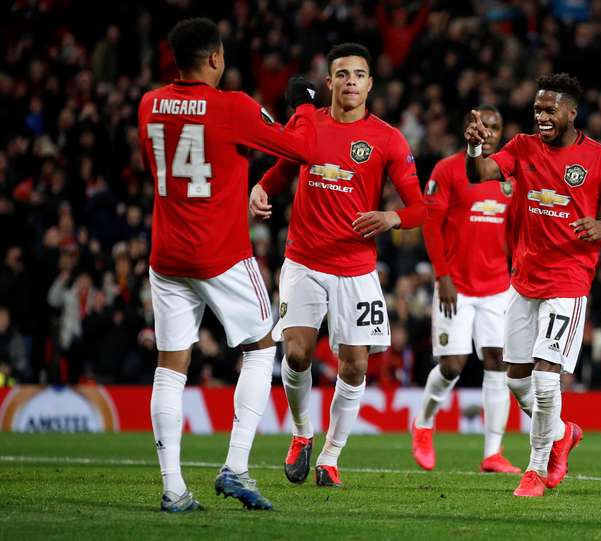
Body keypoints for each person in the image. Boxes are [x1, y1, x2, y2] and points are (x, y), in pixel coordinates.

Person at [137, 17, 318, 512]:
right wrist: (301, 107)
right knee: (262, 347)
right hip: (219, 254)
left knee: (170, 366)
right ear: (216, 59)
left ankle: (173, 489)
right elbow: (302, 149)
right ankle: (235, 466)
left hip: (166, 255)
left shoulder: (149, 104)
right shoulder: (233, 107)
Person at [251, 43, 426, 488]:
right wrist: (261, 188)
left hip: (356, 267)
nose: (350, 81)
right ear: (329, 83)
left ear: (370, 83)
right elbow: (284, 170)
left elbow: (420, 207)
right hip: (304, 260)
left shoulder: (387, 138)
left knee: (355, 364)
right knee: (295, 352)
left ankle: (330, 457)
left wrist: (391, 217)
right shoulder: (308, 122)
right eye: (342, 74)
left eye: (359, 75)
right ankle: (301, 433)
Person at [464, 73, 601, 497]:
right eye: (537, 109)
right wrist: (473, 146)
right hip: (524, 280)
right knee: (517, 380)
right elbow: (481, 172)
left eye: (549, 109)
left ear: (571, 113)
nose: (541, 116)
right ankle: (562, 432)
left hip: (569, 281)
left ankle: (536, 470)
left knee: (545, 380)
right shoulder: (522, 147)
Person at [411, 106, 519, 474]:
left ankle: (492, 453)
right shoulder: (447, 169)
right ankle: (423, 424)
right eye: (481, 125)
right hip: (455, 285)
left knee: (498, 363)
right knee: (453, 365)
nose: (487, 131)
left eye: (494, 126)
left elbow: (515, 231)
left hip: (497, 287)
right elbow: (431, 224)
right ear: (468, 129)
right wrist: (442, 276)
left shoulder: (509, 177)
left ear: (501, 133)